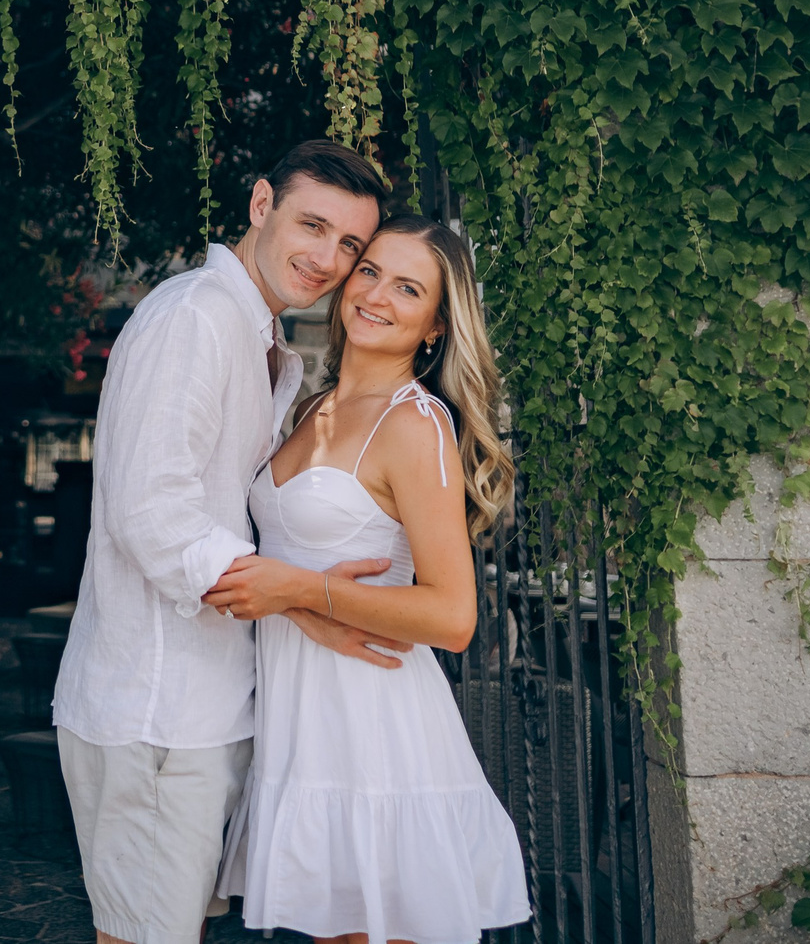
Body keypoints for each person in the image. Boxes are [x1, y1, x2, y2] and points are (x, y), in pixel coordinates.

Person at [52, 140, 395, 944]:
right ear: (259, 205)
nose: (327, 259)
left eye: (350, 245)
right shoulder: (196, 317)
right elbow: (152, 511)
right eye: (312, 225)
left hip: (202, 702)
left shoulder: (252, 331)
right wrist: (300, 602)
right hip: (156, 705)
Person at [204, 215, 532, 944]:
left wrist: (299, 589)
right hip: (302, 719)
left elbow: (453, 617)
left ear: (437, 326)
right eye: (370, 269)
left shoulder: (416, 425)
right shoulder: (307, 406)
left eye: (408, 287)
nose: (376, 293)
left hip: (374, 723)